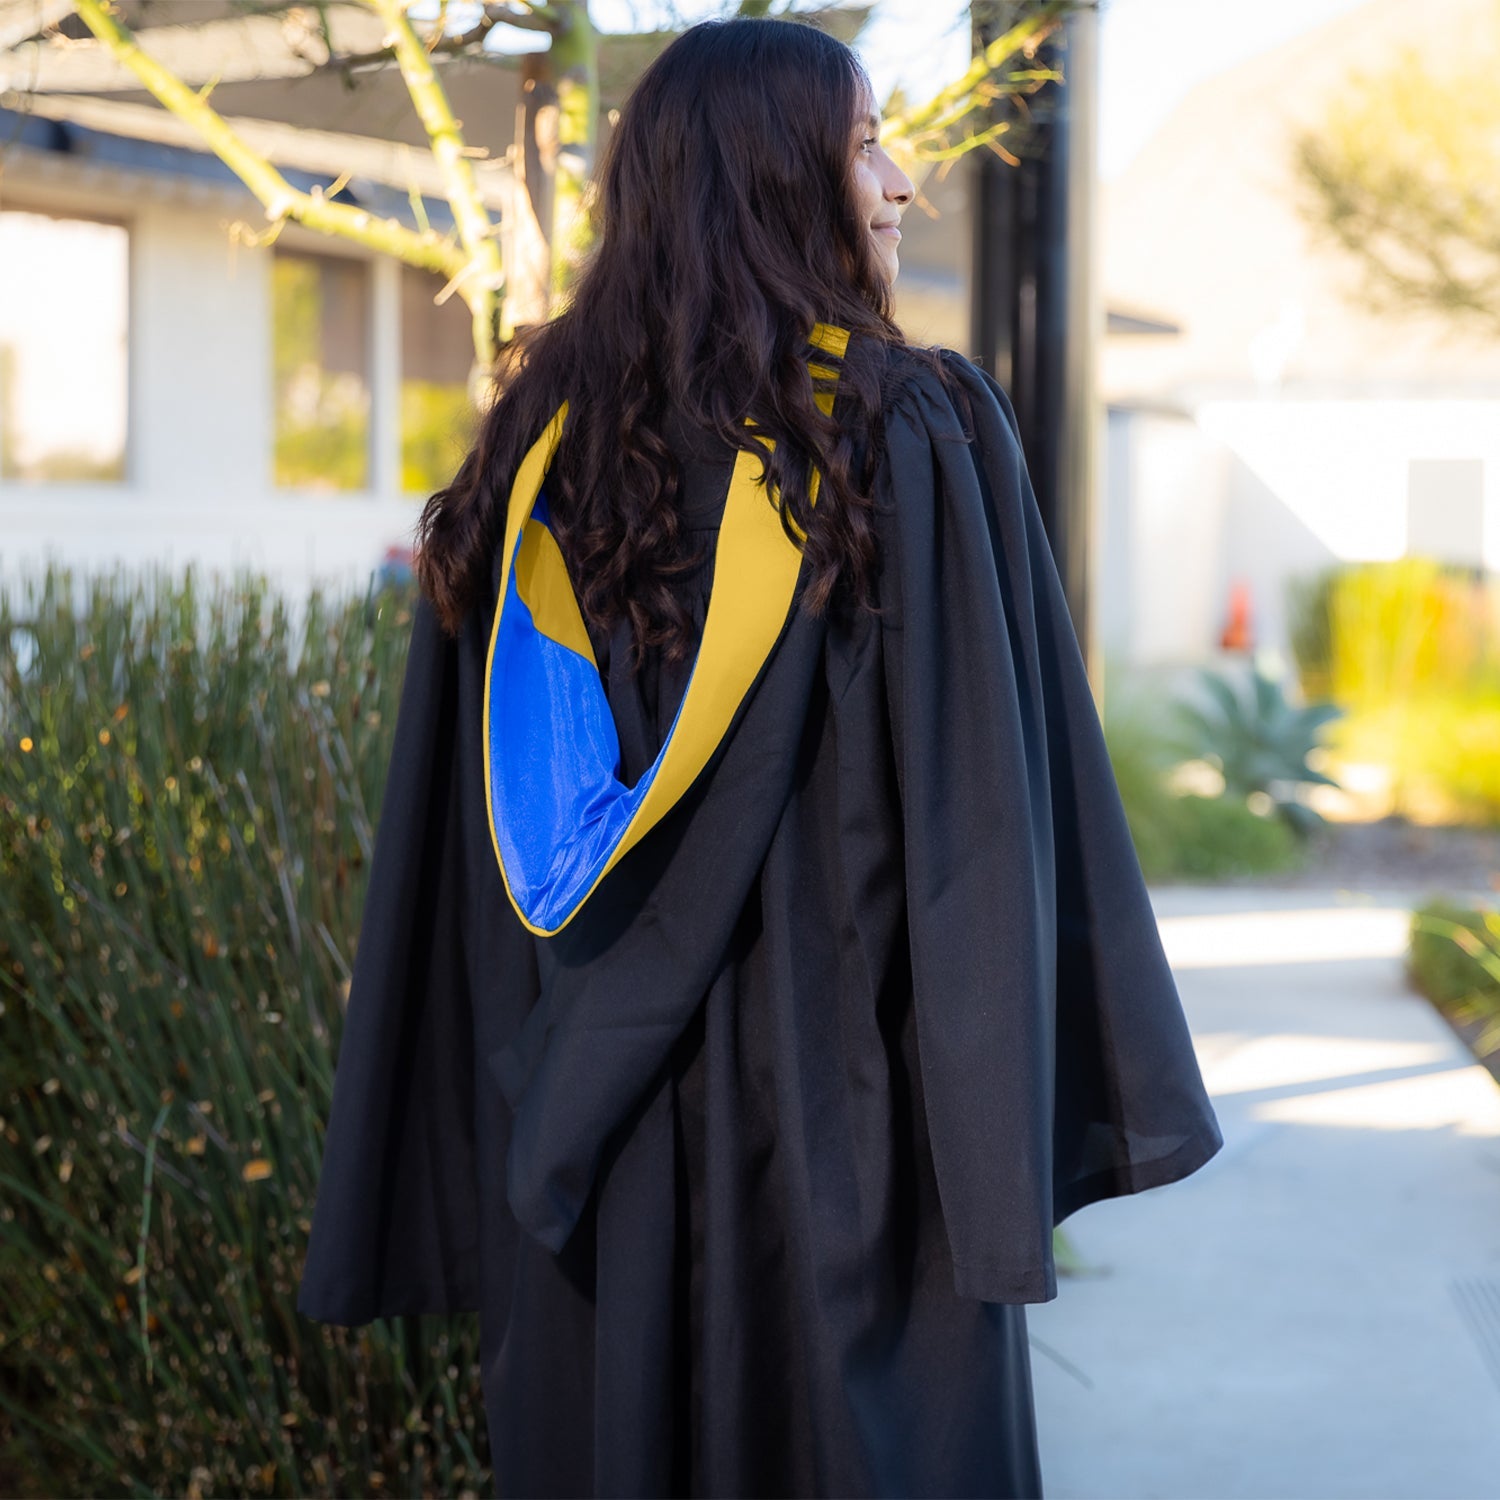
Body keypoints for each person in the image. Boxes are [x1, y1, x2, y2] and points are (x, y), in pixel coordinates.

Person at [296, 16, 1224, 1500]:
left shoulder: (533, 457)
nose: (902, 182)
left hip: (587, 1148)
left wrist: (509, 1131)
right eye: (864, 143)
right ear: (772, 179)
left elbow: (471, 875)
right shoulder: (904, 430)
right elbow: (984, 831)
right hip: (844, 1152)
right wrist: (993, 1176)